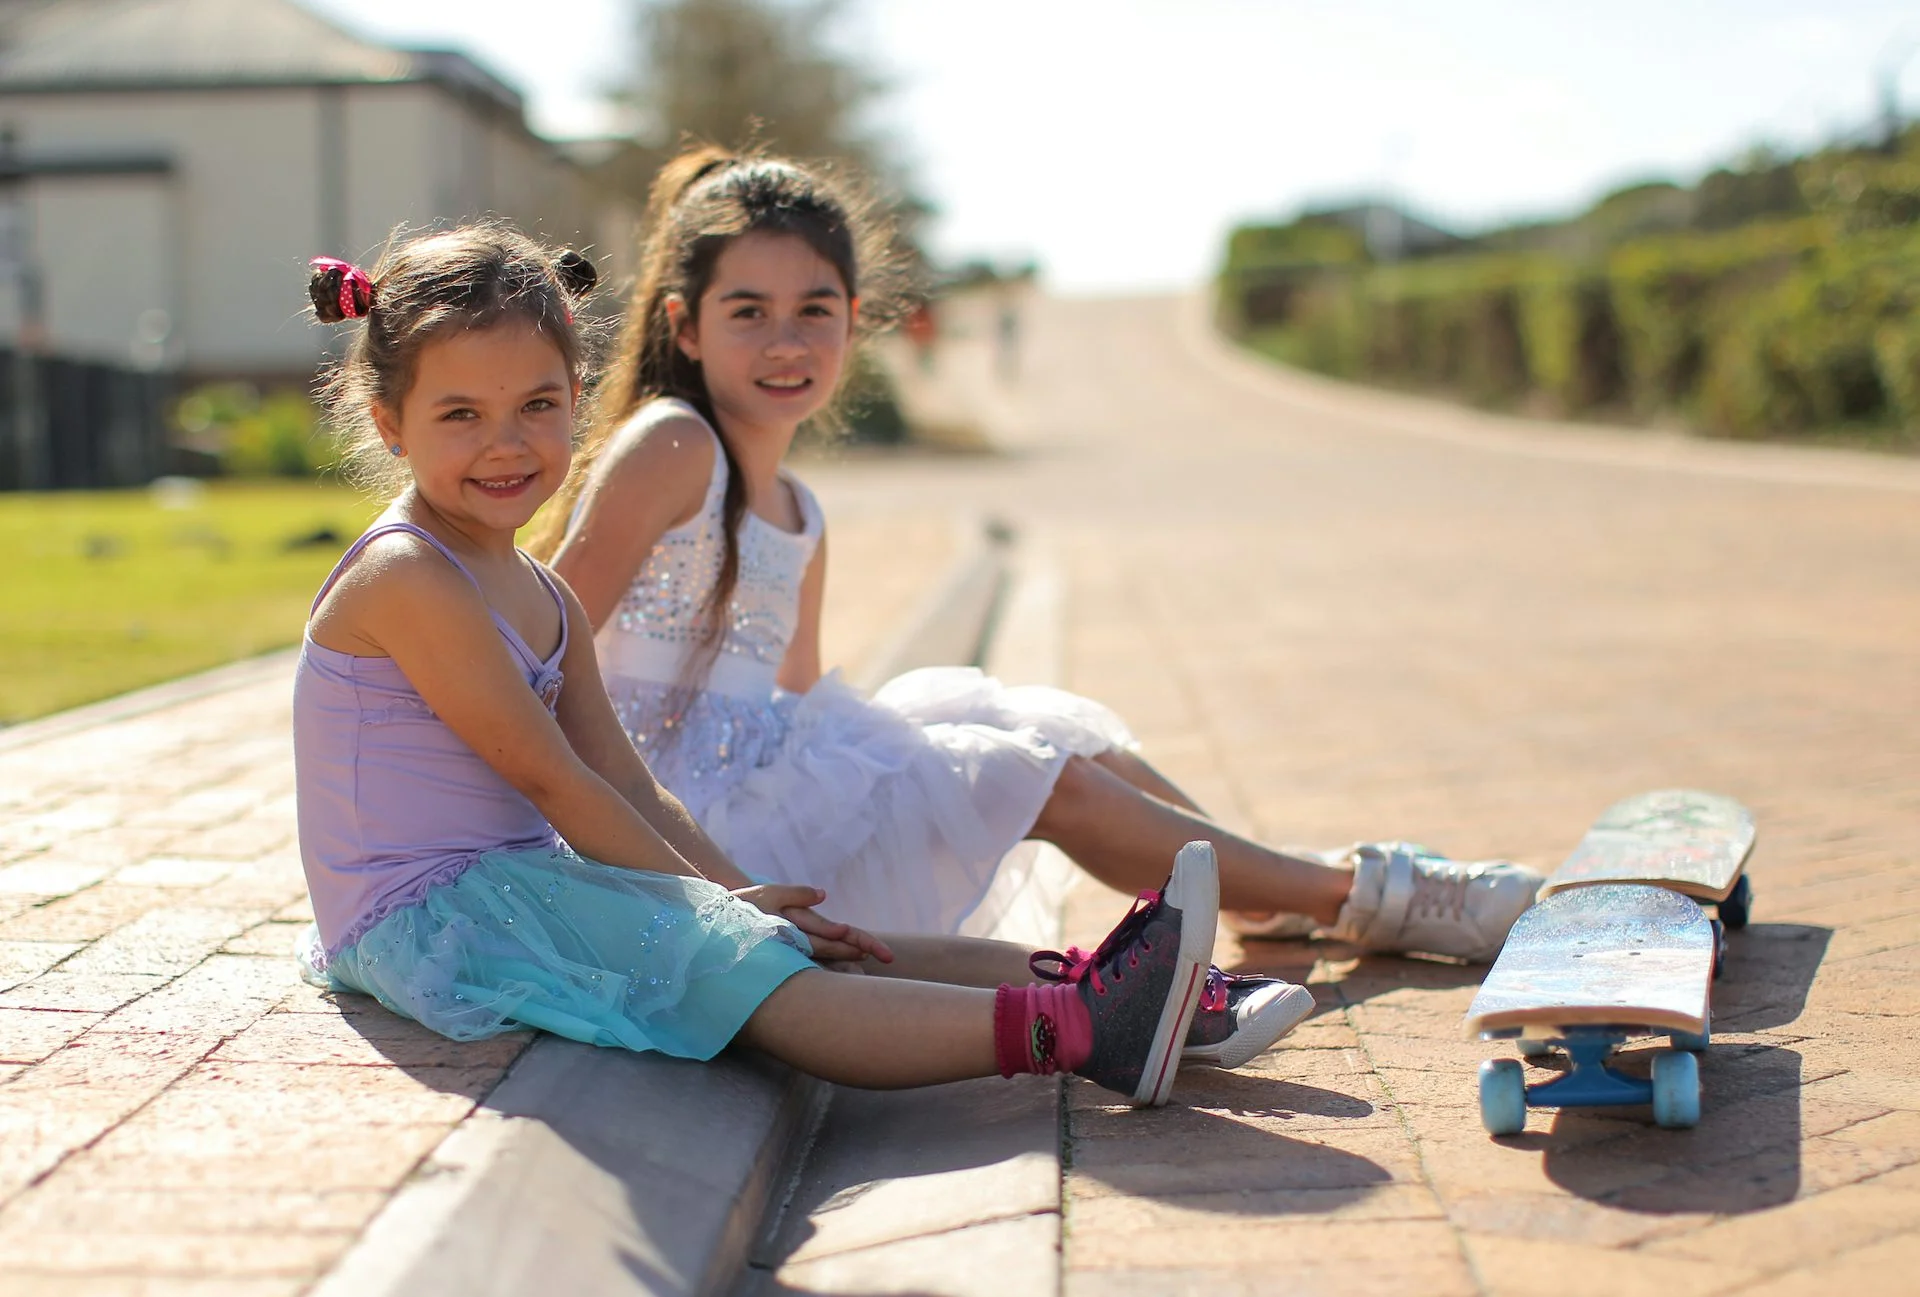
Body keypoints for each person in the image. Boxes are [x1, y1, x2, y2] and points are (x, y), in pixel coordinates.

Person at [286, 223, 1289, 1109]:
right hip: (426, 919)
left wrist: (744, 889)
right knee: (760, 979)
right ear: (389, 422)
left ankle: (1118, 981)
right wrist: (719, 910)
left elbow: (625, 777)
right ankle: (1077, 1030)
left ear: (578, 398)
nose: (505, 445)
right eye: (460, 415)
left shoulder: (539, 595)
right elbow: (550, 776)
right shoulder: (408, 574)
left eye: (537, 405)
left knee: (815, 934)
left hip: (517, 879)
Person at [534, 147, 1545, 969]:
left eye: (816, 309)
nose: (785, 338)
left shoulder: (800, 508)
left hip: (762, 779)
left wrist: (912, 761)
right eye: (747, 310)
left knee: (1047, 731)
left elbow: (798, 699)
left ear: (857, 322)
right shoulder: (673, 444)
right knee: (1033, 771)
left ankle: (1274, 892)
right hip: (667, 814)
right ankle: (1359, 892)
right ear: (686, 325)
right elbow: (543, 632)